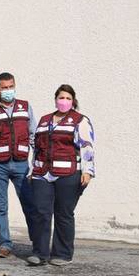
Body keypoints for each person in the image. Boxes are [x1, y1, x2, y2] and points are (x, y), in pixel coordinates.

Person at [0, 72, 42, 262]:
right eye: (4, 87)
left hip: (21, 165)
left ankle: (38, 245)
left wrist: (38, 162)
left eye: (11, 86)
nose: (8, 90)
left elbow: (34, 136)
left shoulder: (25, 108)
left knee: (30, 205)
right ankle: (4, 244)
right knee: (0, 207)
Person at [30, 84, 95, 266]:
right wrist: (32, 170)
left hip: (69, 173)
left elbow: (87, 146)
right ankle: (39, 253)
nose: (64, 101)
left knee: (63, 213)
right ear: (55, 99)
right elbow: (36, 148)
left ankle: (62, 254)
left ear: (73, 101)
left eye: (68, 98)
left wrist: (88, 171)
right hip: (42, 173)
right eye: (61, 97)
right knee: (41, 212)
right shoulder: (44, 120)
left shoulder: (80, 120)